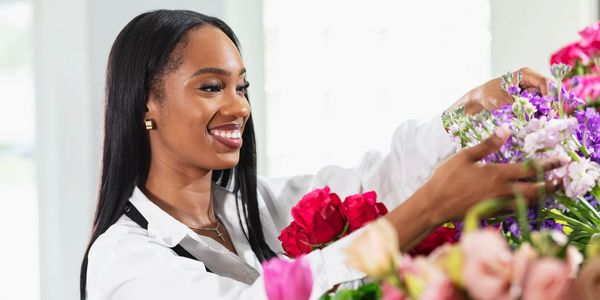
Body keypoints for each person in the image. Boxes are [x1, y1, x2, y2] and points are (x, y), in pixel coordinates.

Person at [81, 9, 561, 300]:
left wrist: (470, 108)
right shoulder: (124, 262)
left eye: (241, 87)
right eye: (211, 87)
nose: (238, 107)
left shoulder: (254, 208)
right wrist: (433, 207)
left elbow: (378, 178)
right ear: (147, 101)